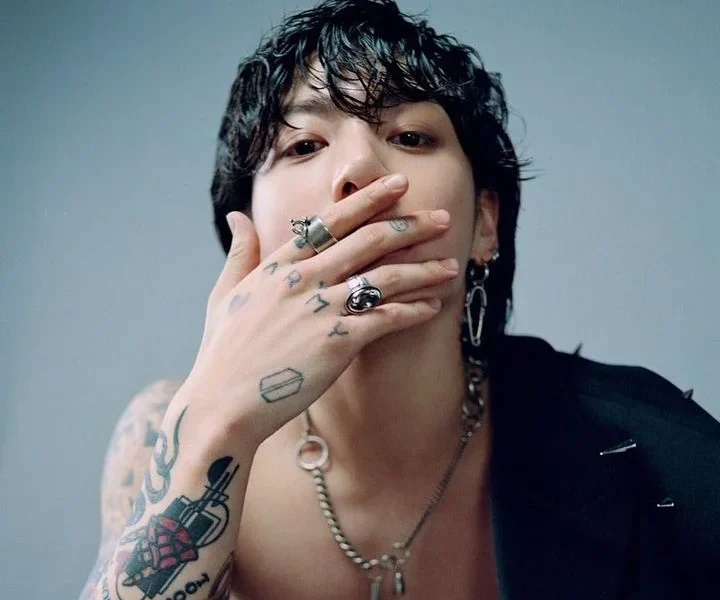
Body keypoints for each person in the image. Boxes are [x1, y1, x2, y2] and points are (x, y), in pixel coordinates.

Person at [78, 0, 720, 598]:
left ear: (485, 224)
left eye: (411, 137)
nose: (360, 170)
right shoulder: (160, 434)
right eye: (304, 145)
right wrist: (216, 419)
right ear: (246, 236)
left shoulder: (649, 446)